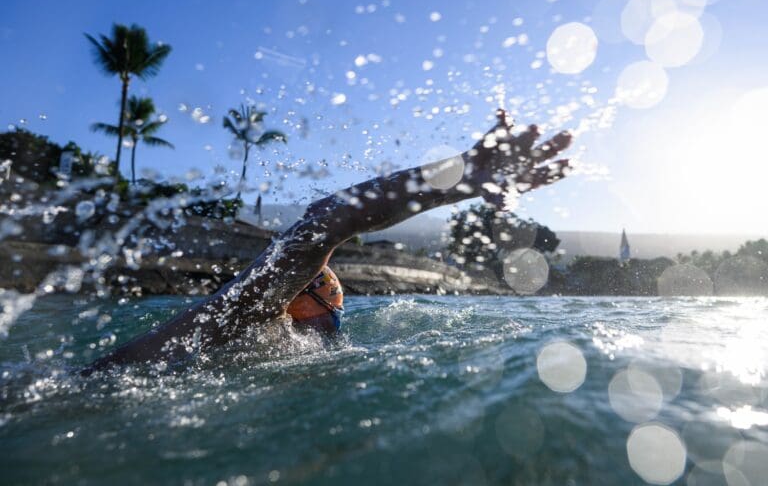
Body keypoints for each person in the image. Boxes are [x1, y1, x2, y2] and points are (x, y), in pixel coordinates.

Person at [85, 109, 572, 372]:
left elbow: (323, 226)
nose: (337, 305)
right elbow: (325, 225)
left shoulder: (244, 329)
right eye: (329, 289)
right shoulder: (264, 328)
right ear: (299, 300)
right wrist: (458, 178)